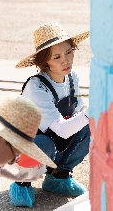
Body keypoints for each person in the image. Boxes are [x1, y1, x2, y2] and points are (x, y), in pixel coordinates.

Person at [10, 22, 90, 207]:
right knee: (44, 143)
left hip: (57, 138)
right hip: (30, 145)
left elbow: (79, 110)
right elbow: (61, 130)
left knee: (90, 127)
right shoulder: (36, 87)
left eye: (69, 52)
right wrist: (88, 114)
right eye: (57, 57)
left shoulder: (72, 77)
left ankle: (58, 177)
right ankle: (21, 182)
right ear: (44, 61)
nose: (66, 61)